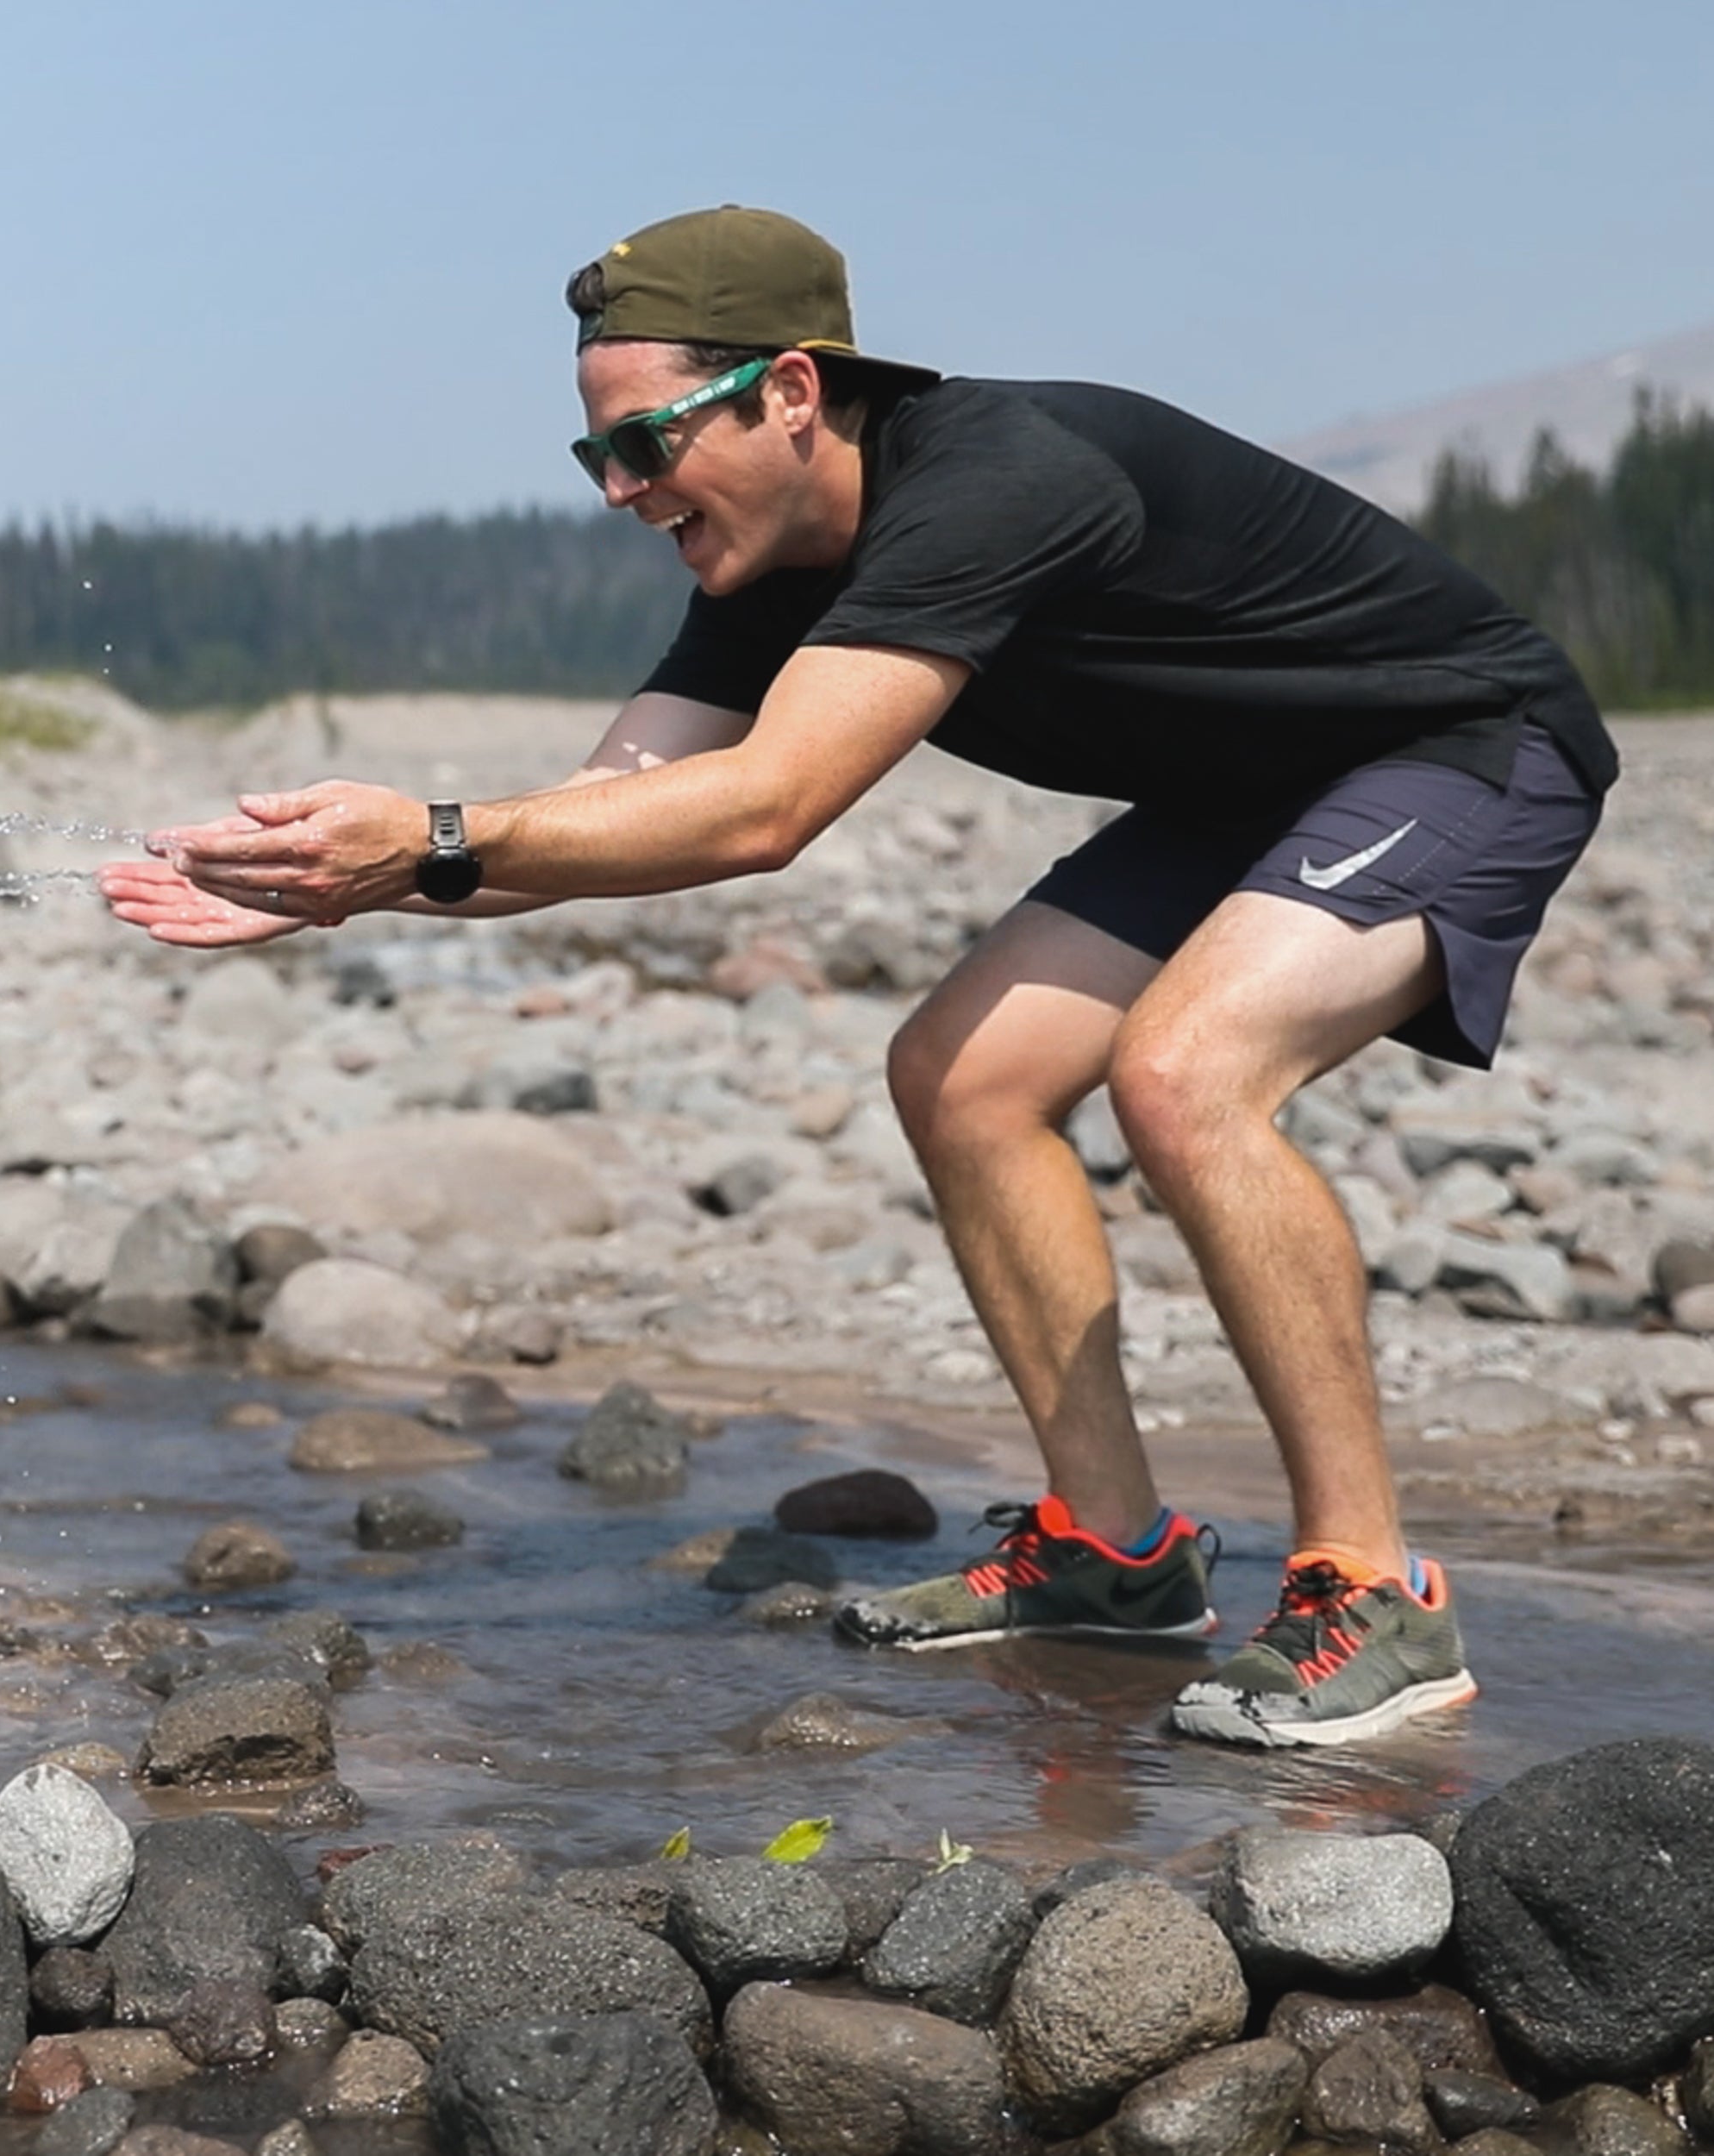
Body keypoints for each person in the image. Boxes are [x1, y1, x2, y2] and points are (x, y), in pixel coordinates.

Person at [98, 204, 1614, 1748]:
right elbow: (607, 812)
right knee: (961, 1078)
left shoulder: (996, 482)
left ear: (793, 393)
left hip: (1452, 746)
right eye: (596, 460)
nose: (625, 493)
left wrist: (420, 836)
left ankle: (1376, 1593)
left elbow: (764, 812)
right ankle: (1110, 1558)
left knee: (1183, 1076)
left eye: (645, 444)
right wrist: (343, 883)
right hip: (1252, 789)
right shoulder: (762, 567)